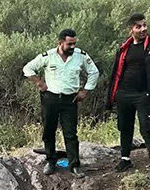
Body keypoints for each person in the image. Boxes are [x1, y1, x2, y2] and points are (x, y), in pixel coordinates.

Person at [23, 29, 100, 178]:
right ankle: (51, 161)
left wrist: (85, 91)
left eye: (74, 44)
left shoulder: (80, 56)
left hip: (69, 99)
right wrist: (39, 83)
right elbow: (28, 68)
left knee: (71, 133)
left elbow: (94, 72)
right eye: (69, 44)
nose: (72, 47)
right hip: (50, 98)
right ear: (60, 43)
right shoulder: (48, 56)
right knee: (49, 130)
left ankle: (74, 165)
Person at [106, 13, 150, 171]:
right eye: (139, 26)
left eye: (144, 25)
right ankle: (125, 159)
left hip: (143, 94)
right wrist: (113, 95)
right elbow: (115, 73)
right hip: (124, 93)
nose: (143, 29)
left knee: (147, 127)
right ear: (131, 29)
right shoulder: (125, 48)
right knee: (125, 127)